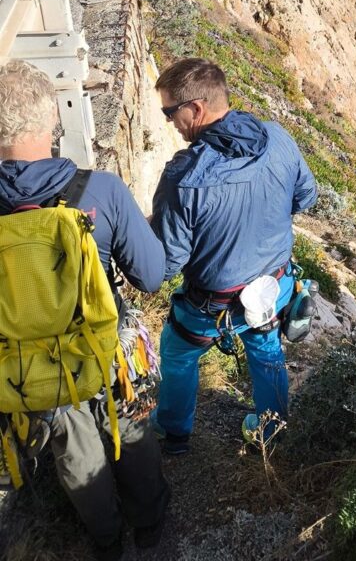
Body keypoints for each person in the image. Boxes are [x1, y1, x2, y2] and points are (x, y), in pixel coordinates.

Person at [0, 61, 169, 560]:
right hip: (101, 345)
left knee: (73, 452)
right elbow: (153, 275)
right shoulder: (99, 190)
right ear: (52, 126)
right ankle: (151, 524)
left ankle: (106, 538)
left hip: (28, 366)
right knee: (131, 430)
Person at [150, 58, 318, 454]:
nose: (169, 122)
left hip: (211, 306)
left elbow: (170, 261)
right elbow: (306, 196)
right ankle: (270, 431)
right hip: (272, 288)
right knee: (266, 351)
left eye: (170, 112)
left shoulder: (183, 178)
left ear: (195, 109)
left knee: (177, 353)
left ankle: (173, 433)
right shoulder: (278, 138)